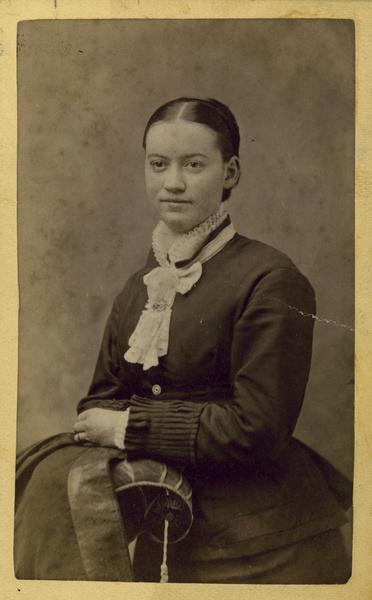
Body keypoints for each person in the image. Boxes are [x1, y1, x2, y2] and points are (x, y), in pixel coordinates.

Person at [15, 97, 351, 583]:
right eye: (158, 164)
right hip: (169, 537)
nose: (172, 183)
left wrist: (132, 428)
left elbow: (257, 428)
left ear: (230, 172)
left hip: (267, 546)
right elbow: (100, 405)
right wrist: (111, 424)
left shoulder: (271, 278)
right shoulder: (140, 287)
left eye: (194, 165)